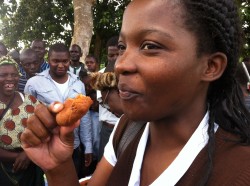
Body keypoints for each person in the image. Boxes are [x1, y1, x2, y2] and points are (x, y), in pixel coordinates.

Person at [21, 0, 250, 185]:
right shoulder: (128, 129)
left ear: (210, 67)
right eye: (122, 47)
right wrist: (58, 166)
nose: (121, 64)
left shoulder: (238, 172)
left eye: (150, 46)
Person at [24, 43, 93, 179]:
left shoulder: (78, 84)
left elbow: (84, 117)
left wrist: (88, 146)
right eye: (56, 61)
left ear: (69, 61)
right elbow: (28, 115)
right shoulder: (34, 83)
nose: (61, 65)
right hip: (46, 146)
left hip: (73, 145)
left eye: (64, 61)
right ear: (48, 60)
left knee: (71, 179)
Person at [0, 56, 44, 186]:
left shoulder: (31, 100)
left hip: (32, 166)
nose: (9, 78)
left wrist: (28, 154)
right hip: (4, 170)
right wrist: (19, 157)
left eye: (14, 74)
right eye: (3, 75)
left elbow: (46, 129)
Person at [97, 36, 120, 161]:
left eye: (119, 53)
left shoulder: (131, 75)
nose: (115, 58)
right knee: (105, 165)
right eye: (111, 55)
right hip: (108, 130)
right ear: (107, 56)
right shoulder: (100, 75)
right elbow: (115, 109)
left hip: (128, 129)